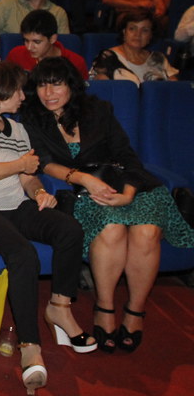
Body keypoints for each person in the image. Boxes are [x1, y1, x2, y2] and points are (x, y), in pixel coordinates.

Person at [21, 57, 194, 354]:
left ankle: (135, 311)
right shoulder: (32, 116)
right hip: (84, 191)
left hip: (125, 185)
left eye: (57, 84)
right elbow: (44, 163)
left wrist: (128, 193)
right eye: (42, 85)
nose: (48, 92)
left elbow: (126, 155)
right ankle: (104, 307)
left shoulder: (98, 110)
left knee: (147, 232)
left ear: (72, 87)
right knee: (111, 229)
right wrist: (85, 179)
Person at [0, 61, 95, 393]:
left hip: (15, 204)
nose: (23, 96)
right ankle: (30, 344)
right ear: (1, 91)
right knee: (23, 254)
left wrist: (40, 192)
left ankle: (59, 307)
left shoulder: (17, 128)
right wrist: (22, 165)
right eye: (18, 90)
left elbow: (29, 177)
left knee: (69, 230)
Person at [89, 9, 177, 84]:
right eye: (132, 29)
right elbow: (102, 92)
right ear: (124, 32)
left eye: (145, 30)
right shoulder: (106, 57)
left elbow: (174, 90)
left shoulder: (159, 58)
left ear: (151, 36)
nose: (137, 34)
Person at [6, 10, 88, 80]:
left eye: (37, 42)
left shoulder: (76, 62)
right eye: (26, 40)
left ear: (52, 39)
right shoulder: (16, 55)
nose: (29, 47)